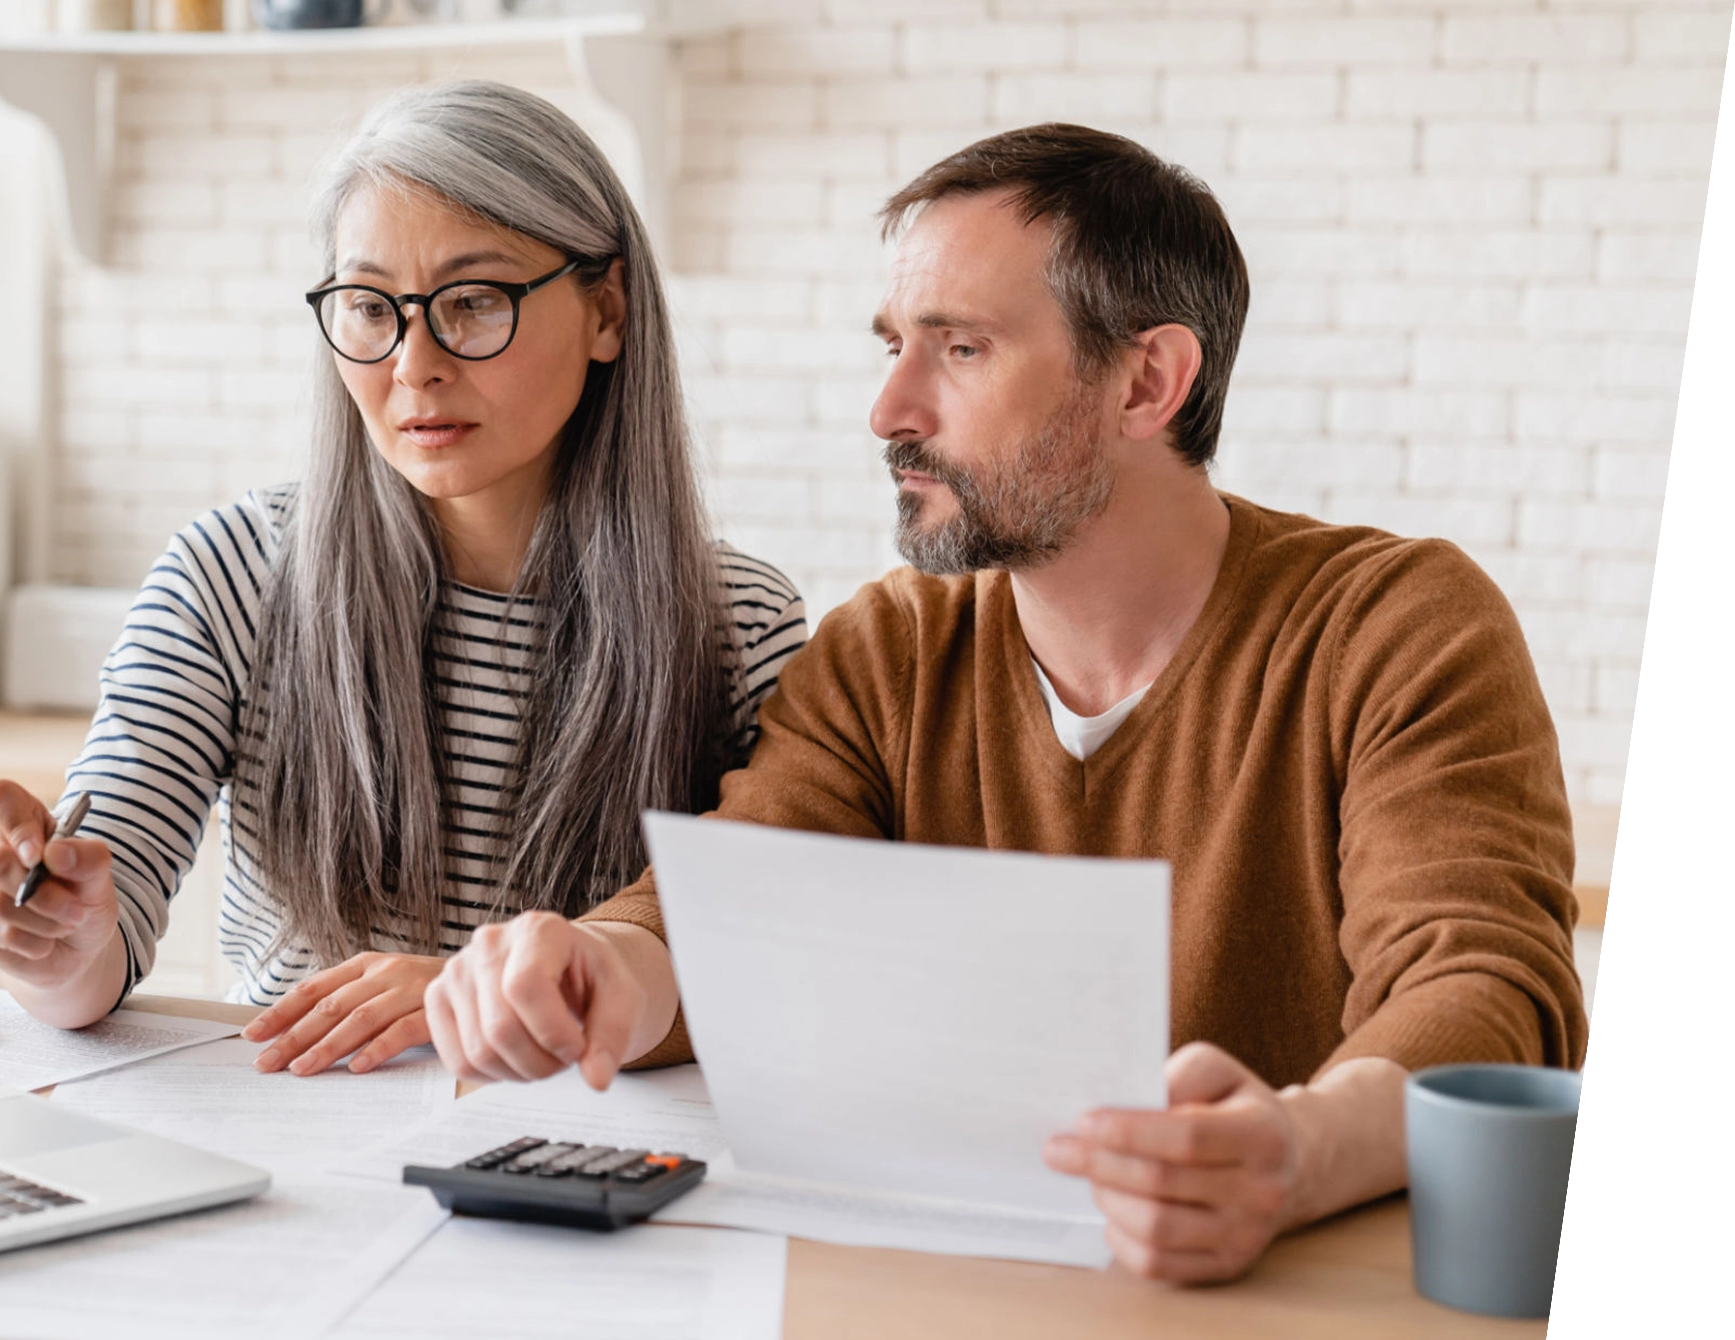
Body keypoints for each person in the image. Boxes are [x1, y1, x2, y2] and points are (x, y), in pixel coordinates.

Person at [422, 123, 1587, 1283]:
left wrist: (1295, 1147)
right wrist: (592, 968)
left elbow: (1484, 993)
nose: (887, 409)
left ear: (1146, 381)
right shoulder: (888, 648)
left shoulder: (1391, 625)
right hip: (965, 1285)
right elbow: (734, 905)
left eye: (960, 349)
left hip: (1292, 1295)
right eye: (891, 346)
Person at [0, 80, 806, 1079]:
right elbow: (97, 946)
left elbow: (762, 967)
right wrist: (49, 932)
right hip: (304, 1139)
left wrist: (463, 1001)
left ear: (606, 309)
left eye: (474, 302)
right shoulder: (234, 571)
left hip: (588, 1158)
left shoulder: (737, 623)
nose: (413, 365)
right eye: (368, 308)